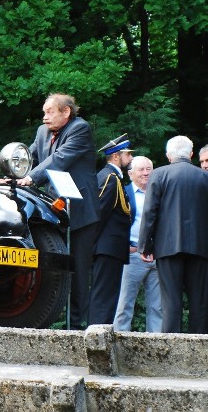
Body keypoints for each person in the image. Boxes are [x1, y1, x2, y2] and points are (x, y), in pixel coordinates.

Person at [16, 93, 101, 329]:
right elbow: (29, 158)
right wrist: (14, 176)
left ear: (66, 112)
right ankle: (50, 321)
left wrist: (30, 178)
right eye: (44, 112)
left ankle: (77, 326)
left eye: (49, 112)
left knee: (78, 270)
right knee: (54, 267)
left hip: (80, 212)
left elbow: (59, 159)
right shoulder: (42, 132)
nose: (44, 118)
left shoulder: (79, 128)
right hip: (53, 209)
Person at [138, 135, 208, 334]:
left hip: (167, 247)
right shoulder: (205, 177)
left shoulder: (159, 175)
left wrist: (145, 245)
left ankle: (170, 350)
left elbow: (150, 212)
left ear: (169, 155)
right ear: (192, 154)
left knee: (170, 302)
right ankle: (201, 352)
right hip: (201, 247)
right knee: (200, 303)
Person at [88, 134, 133, 325]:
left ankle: (102, 332)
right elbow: (99, 215)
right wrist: (92, 246)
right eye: (128, 155)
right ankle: (97, 335)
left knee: (108, 295)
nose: (130, 159)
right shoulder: (110, 178)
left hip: (110, 248)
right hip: (107, 248)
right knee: (104, 295)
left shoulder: (113, 177)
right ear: (116, 156)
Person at [113, 156, 162, 332]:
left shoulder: (160, 193)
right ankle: (119, 344)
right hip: (132, 255)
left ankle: (155, 347)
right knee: (124, 304)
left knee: (158, 308)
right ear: (130, 173)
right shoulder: (123, 193)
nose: (146, 173)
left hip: (157, 256)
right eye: (141, 169)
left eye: (149, 169)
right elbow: (113, 225)